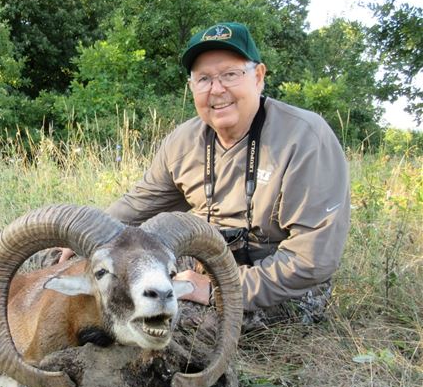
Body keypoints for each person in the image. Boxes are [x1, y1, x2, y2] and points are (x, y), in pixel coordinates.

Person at [60, 21, 351, 329]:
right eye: (204, 79)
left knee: (177, 320)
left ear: (259, 77)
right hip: (204, 265)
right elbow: (139, 204)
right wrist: (88, 239)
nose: (217, 89)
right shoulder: (184, 141)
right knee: (79, 270)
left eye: (230, 75)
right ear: (192, 88)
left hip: (278, 284)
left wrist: (215, 290)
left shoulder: (305, 138)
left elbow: (311, 261)